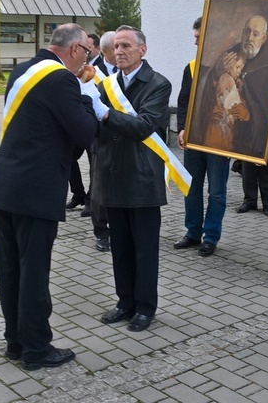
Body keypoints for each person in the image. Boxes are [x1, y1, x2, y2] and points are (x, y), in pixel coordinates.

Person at [0, 23, 99, 370]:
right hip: (37, 191)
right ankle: (37, 349)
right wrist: (86, 91)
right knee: (33, 271)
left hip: (6, 186)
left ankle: (15, 342)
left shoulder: (22, 70)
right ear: (75, 50)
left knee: (10, 270)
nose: (86, 60)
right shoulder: (62, 79)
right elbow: (86, 130)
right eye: (87, 53)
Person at [91, 25, 172, 332]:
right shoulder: (107, 84)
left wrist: (106, 114)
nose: (119, 51)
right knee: (120, 246)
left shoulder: (158, 84)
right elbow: (93, 121)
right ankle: (124, 302)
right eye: (116, 46)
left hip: (141, 180)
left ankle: (145, 307)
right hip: (112, 174)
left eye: (126, 45)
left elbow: (144, 126)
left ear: (142, 50)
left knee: (144, 248)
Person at [174, 17, 230, 257]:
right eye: (195, 37)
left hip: (220, 139)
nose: (195, 42)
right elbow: (184, 100)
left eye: (198, 37)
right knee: (192, 186)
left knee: (216, 191)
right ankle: (193, 232)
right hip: (195, 138)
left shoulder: (231, 66)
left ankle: (211, 236)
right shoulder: (192, 66)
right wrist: (182, 128)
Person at [219, 15, 268, 217]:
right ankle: (249, 200)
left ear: (264, 37)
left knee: (267, 165)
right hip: (244, 126)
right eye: (247, 32)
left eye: (255, 34)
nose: (249, 37)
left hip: (265, 123)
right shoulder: (236, 54)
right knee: (247, 164)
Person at [65, 33, 100, 214]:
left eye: (90, 47)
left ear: (97, 48)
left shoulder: (102, 67)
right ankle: (77, 193)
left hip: (96, 123)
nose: (87, 51)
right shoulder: (74, 66)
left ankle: (90, 199)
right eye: (85, 47)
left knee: (94, 164)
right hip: (79, 119)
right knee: (70, 158)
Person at [89, 31, 117, 252]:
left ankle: (118, 228)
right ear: (106, 51)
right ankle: (102, 231)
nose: (121, 52)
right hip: (100, 137)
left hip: (124, 139)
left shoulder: (128, 71)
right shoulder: (92, 72)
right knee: (99, 185)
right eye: (117, 48)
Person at [203, 53, 250, 151]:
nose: (239, 72)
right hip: (220, 130)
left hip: (222, 129)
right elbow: (234, 107)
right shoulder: (227, 79)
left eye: (241, 69)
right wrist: (246, 113)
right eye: (237, 67)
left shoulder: (229, 80)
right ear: (229, 65)